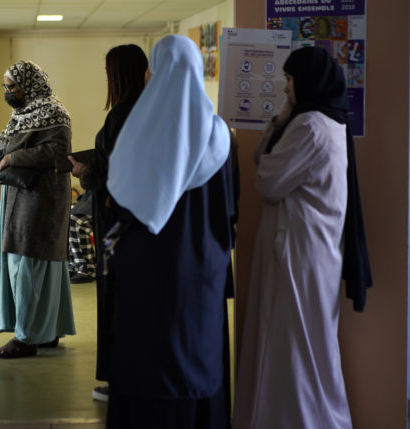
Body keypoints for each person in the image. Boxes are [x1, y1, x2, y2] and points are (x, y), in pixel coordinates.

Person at [233, 46, 372, 429]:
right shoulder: (328, 122)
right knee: (303, 341)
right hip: (310, 248)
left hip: (299, 249)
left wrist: (281, 124)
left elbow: (267, 182)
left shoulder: (309, 125)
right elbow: (268, 163)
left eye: (290, 80)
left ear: (307, 83)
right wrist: (279, 123)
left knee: (294, 342)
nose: (285, 88)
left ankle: (299, 419)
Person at [103, 35, 235, 428]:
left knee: (144, 358)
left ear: (154, 74)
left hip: (144, 267)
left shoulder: (135, 135)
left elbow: (118, 202)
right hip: (201, 269)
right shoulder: (220, 137)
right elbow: (229, 210)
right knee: (196, 355)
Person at [67, 44, 148, 403]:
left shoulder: (119, 115)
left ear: (117, 75)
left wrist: (83, 171)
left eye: (107, 73)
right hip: (137, 220)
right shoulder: (149, 111)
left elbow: (110, 172)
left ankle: (120, 380)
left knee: (115, 297)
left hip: (115, 220)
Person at [0, 60, 76, 358]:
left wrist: (16, 158)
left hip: (41, 198)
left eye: (12, 86)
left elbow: (58, 150)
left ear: (29, 84)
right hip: (21, 196)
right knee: (34, 262)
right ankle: (47, 330)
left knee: (28, 264)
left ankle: (27, 338)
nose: (8, 91)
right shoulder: (20, 114)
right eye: (6, 86)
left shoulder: (54, 112)